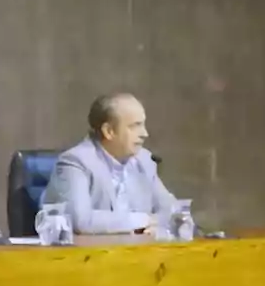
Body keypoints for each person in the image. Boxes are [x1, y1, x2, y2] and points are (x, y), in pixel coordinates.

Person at [47, 92, 177, 234]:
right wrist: (143, 220)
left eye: (143, 125)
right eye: (135, 126)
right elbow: (80, 220)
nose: (144, 133)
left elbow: (173, 211)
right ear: (109, 131)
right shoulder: (76, 162)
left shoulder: (144, 160)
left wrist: (159, 226)